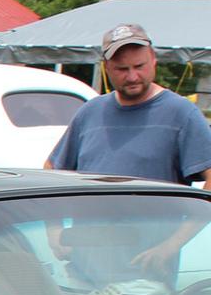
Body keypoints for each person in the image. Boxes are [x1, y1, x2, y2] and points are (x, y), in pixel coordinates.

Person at [47, 24, 211, 189]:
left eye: (139, 66)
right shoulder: (89, 112)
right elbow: (52, 170)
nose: (132, 77)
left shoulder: (181, 113)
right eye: (122, 69)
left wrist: (201, 206)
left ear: (153, 59)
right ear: (106, 67)